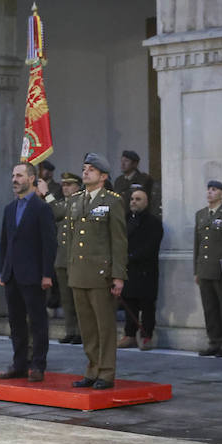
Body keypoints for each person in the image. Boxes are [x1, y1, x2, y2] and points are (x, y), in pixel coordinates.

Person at [67, 153, 127, 390]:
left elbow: (119, 241)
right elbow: (72, 238)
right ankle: (92, 369)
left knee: (104, 326)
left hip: (100, 273)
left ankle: (106, 371)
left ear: (103, 176)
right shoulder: (76, 200)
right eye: (84, 168)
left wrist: (118, 275)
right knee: (88, 326)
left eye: (91, 169)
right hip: (79, 272)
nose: (85, 172)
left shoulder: (112, 201)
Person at [0, 164, 57, 380]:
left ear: (31, 179)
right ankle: (19, 363)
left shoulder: (41, 208)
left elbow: (49, 244)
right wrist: (2, 271)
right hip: (12, 274)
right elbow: (4, 243)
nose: (14, 179)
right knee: (16, 322)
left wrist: (47, 274)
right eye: (13, 175)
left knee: (38, 322)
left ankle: (38, 365)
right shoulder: (9, 209)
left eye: (19, 175)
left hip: (33, 275)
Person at [194, 179, 222, 356]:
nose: (210, 192)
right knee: (210, 309)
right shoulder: (201, 214)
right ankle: (214, 341)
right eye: (208, 189)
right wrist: (196, 270)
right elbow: (198, 244)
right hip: (205, 269)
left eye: (214, 190)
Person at [119, 186, 163, 350]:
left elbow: (151, 246)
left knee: (147, 305)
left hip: (145, 270)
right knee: (129, 302)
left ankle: (146, 336)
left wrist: (131, 257)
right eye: (132, 199)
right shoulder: (125, 219)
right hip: (128, 269)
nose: (134, 202)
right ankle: (129, 335)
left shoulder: (154, 222)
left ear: (146, 202)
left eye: (138, 199)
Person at [48, 172, 83, 344]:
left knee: (78, 299)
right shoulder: (63, 203)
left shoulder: (80, 202)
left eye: (69, 184)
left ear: (78, 186)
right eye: (63, 185)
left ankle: (81, 332)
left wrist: (46, 194)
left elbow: (58, 211)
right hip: (62, 258)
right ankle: (71, 330)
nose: (66, 188)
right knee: (67, 299)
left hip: (75, 259)